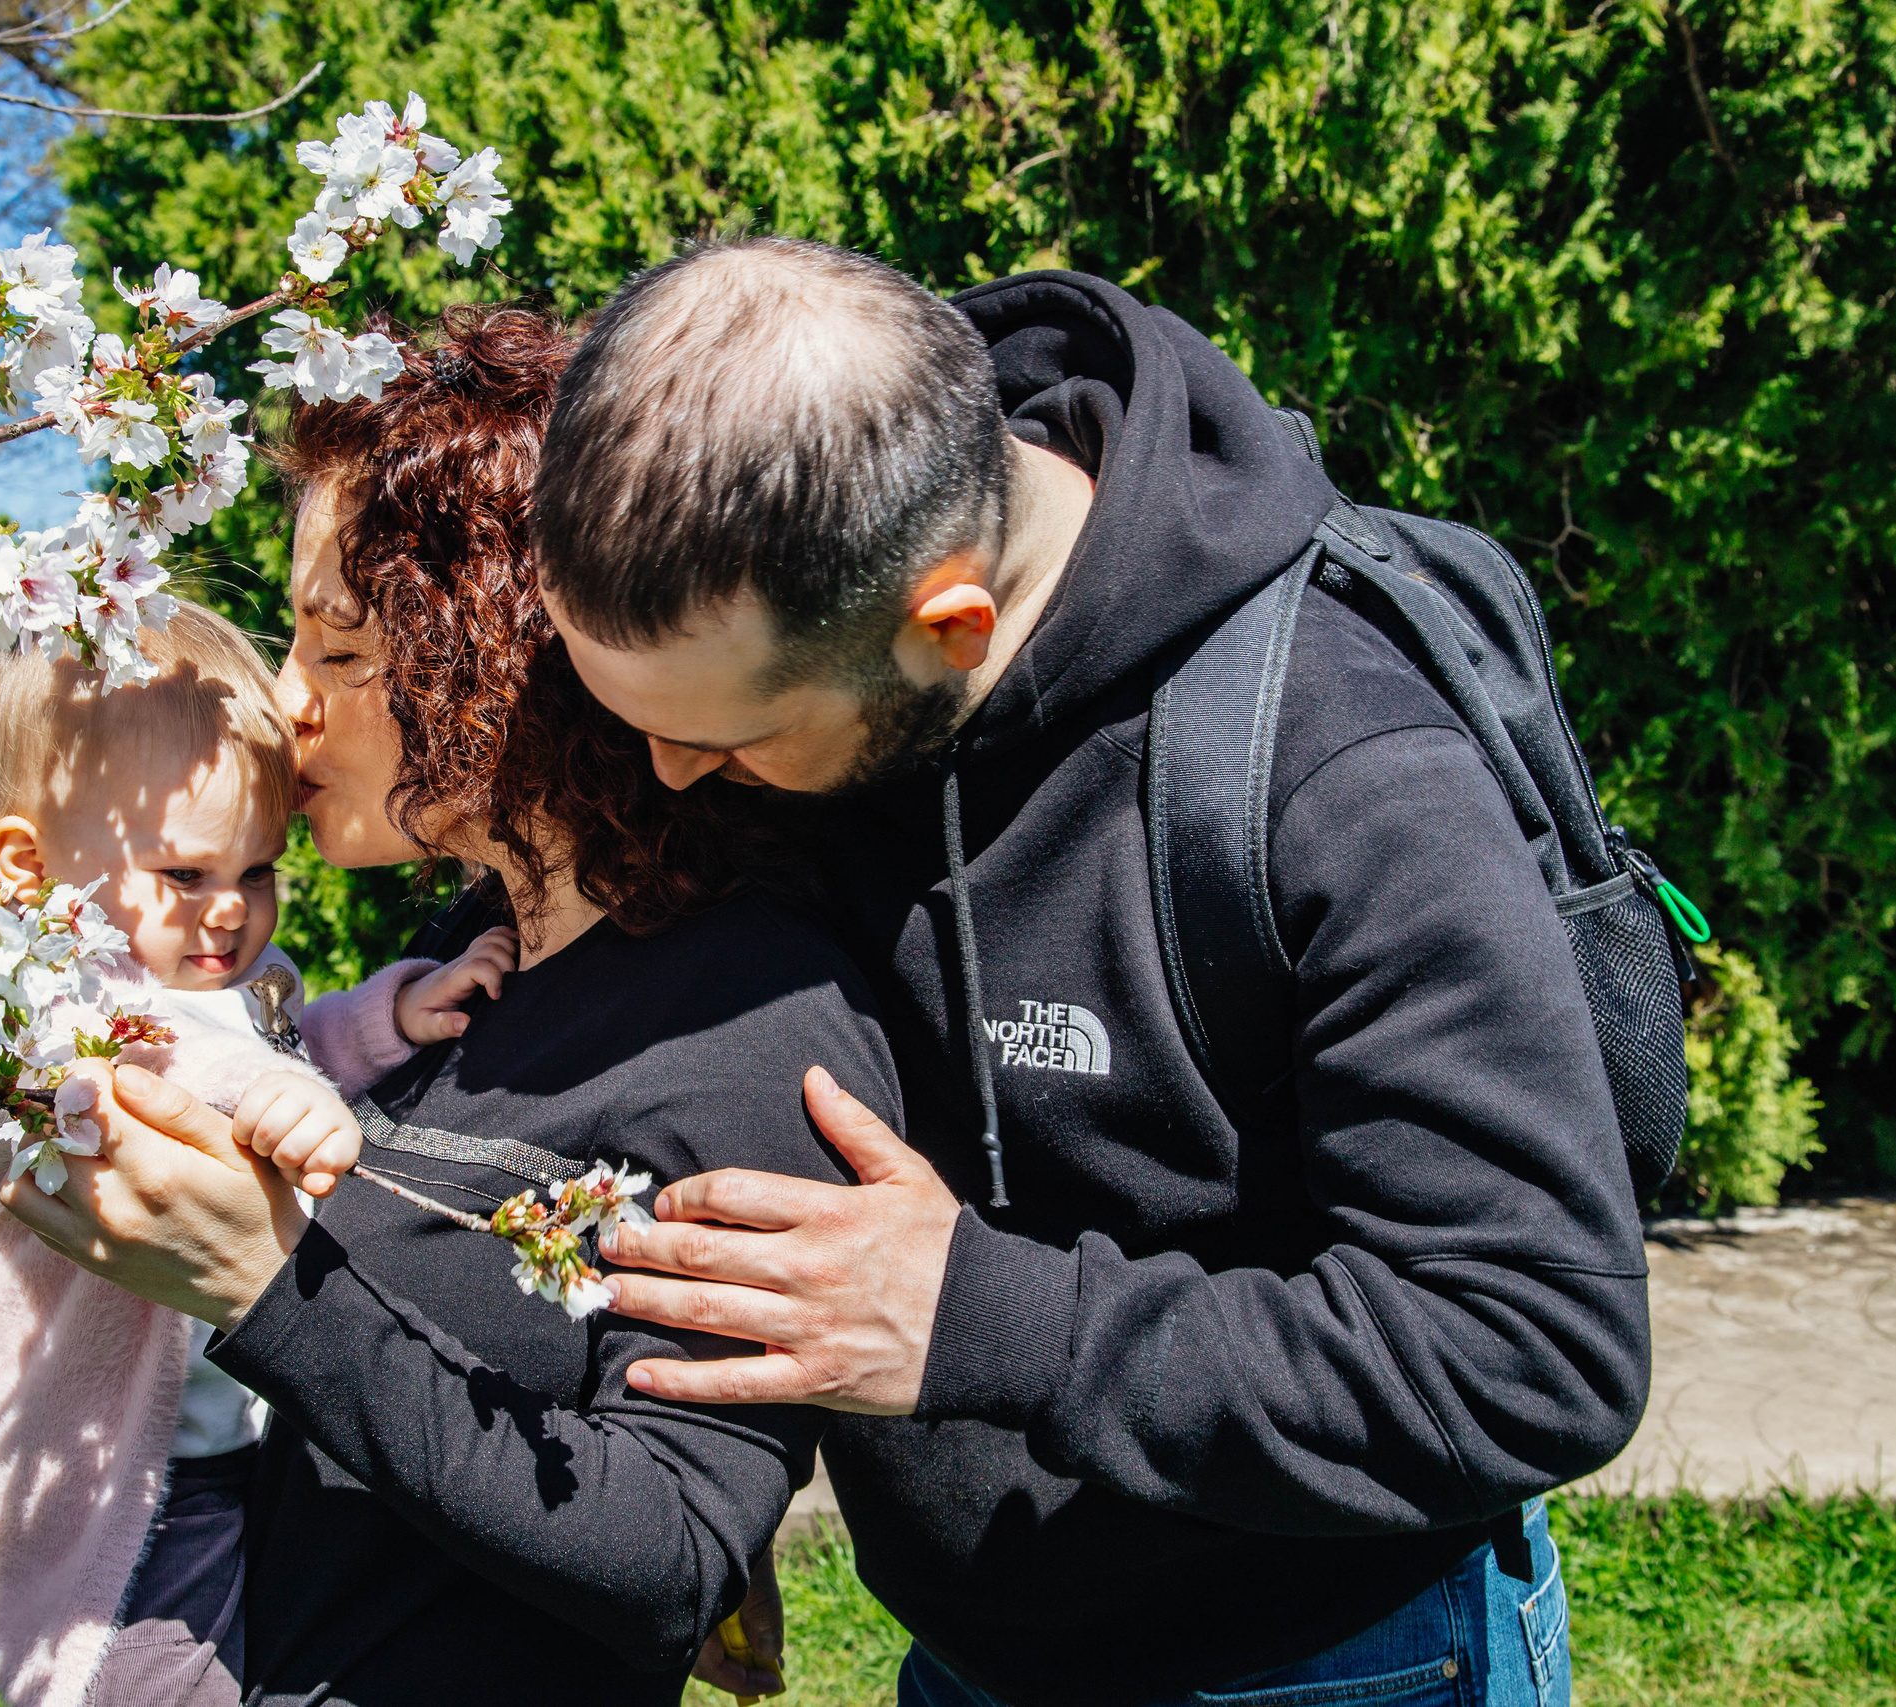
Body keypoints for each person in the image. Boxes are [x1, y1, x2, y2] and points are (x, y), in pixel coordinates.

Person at [532, 240, 1650, 1707]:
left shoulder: (1339, 763)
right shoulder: (826, 593)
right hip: (972, 1652)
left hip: (1329, 1663)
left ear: (952, 627)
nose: (670, 774)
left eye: (726, 736)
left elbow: (1532, 1344)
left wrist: (979, 1319)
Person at [0, 304, 889, 1706]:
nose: (286, 703)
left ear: (515, 658)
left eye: (343, 651)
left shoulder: (750, 1032)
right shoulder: (468, 958)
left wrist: (262, 1289)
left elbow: (673, 1557)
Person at [0, 600, 513, 1707]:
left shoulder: (233, 981)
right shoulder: (16, 1004)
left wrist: (392, 1013)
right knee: (143, 1679)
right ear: (24, 868)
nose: (230, 912)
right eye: (185, 876)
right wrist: (278, 1094)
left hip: (238, 1438)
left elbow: (283, 1040)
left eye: (260, 869)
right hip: (103, 1475)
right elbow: (144, 1079)